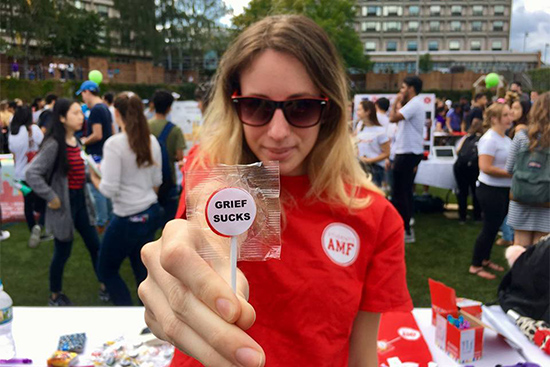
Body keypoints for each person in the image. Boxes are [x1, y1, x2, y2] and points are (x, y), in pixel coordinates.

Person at [138, 15, 412, 367]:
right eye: (258, 106)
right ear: (235, 105)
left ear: (328, 110)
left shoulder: (375, 217)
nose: (278, 132)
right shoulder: (209, 177)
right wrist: (168, 280)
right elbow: (181, 255)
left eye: (301, 107)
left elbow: (362, 356)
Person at [25, 98, 103, 306]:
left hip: (80, 203)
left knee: (95, 245)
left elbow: (78, 172)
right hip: (63, 205)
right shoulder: (54, 144)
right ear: (62, 118)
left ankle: (105, 284)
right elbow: (32, 173)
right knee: (62, 252)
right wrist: (51, 196)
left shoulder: (76, 141)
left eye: (81, 112)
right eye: (75, 113)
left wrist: (93, 174)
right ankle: (54, 295)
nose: (81, 117)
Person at [90, 92, 162, 306]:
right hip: (149, 211)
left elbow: (108, 190)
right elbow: (157, 180)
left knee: (106, 269)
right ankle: (148, 315)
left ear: (118, 114)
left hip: (127, 217)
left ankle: (126, 310)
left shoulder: (115, 145)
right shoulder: (152, 141)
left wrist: (93, 177)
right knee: (142, 269)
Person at [469, 103, 513, 280]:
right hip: (490, 190)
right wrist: (510, 173)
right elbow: (485, 167)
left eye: (509, 114)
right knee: (489, 228)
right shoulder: (490, 139)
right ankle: (475, 264)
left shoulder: (505, 138)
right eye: (506, 115)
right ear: (494, 119)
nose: (510, 118)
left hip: (502, 189)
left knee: (494, 227)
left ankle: (485, 259)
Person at [506, 92, 550, 247]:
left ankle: (518, 273)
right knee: (541, 253)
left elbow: (509, 168)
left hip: (522, 198)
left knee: (519, 250)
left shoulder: (522, 136)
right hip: (546, 201)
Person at [389, 75, 425, 243]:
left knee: (398, 191)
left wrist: (396, 101)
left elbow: (392, 118)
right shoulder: (415, 104)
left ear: (410, 88)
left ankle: (405, 229)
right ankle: (407, 221)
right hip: (409, 151)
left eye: (403, 88)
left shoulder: (414, 104)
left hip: (407, 152)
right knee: (405, 189)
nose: (401, 91)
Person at [8, 106, 48, 247]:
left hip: (20, 175)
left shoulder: (12, 134)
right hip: (36, 173)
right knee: (44, 202)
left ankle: (32, 229)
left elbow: (13, 154)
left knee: (27, 204)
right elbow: (44, 145)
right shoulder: (34, 130)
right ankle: (40, 226)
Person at [77, 80, 113, 232]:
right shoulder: (105, 108)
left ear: (87, 92)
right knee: (106, 189)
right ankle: (109, 220)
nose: (82, 98)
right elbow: (111, 131)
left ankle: (101, 223)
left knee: (97, 189)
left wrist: (84, 140)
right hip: (104, 154)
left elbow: (97, 135)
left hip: (96, 155)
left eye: (82, 94)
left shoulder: (97, 110)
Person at [149, 89, 186, 226]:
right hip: (168, 178)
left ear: (153, 105)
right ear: (169, 108)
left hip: (149, 178)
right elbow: (179, 156)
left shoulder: (145, 127)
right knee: (170, 223)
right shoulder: (175, 130)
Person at [453, 119, 484, 224]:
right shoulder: (483, 139)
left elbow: (457, 150)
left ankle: (462, 216)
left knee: (462, 192)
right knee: (476, 191)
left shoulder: (466, 137)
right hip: (474, 168)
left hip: (460, 167)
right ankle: (477, 216)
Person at [356, 101, 390, 187]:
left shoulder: (380, 131)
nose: (357, 112)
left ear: (367, 112)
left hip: (375, 168)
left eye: (360, 110)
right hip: (361, 166)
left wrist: (370, 160)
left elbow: (386, 153)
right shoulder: (360, 127)